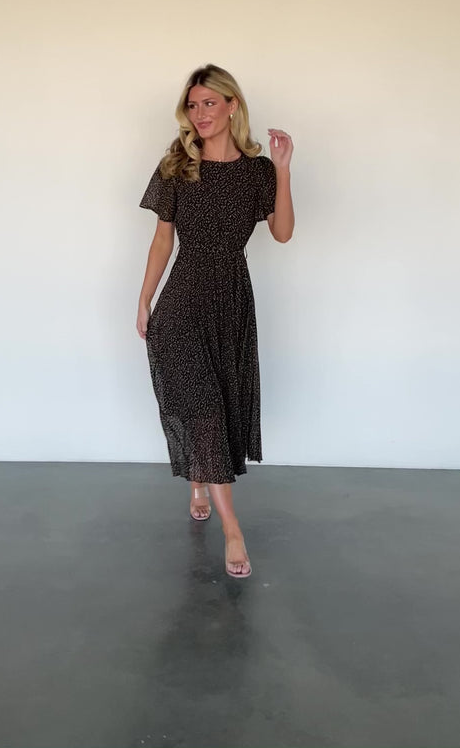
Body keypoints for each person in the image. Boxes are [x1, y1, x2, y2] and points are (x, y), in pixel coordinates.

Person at [136, 64, 294, 578]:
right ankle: (232, 530)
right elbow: (163, 239)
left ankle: (200, 482)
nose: (200, 113)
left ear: (232, 105)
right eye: (193, 105)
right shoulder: (177, 165)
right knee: (203, 408)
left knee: (218, 405)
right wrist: (145, 299)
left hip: (231, 303)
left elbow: (283, 232)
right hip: (182, 302)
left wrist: (283, 169)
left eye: (209, 103)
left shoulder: (257, 171)